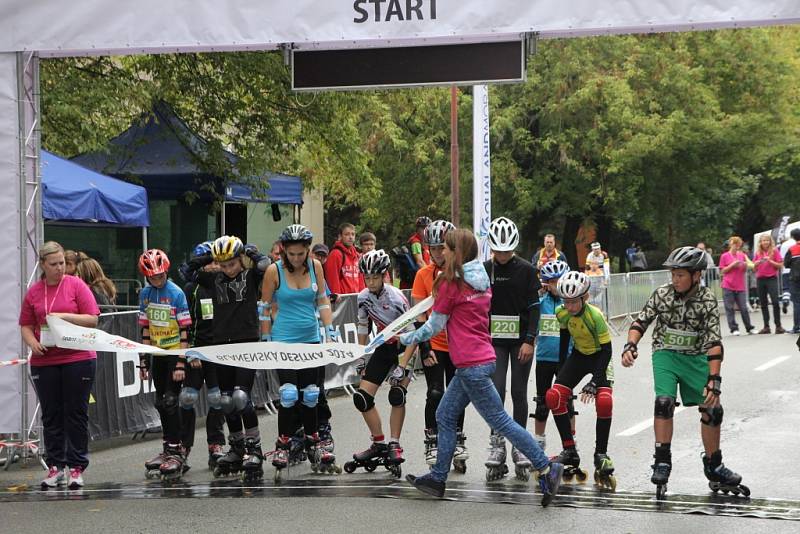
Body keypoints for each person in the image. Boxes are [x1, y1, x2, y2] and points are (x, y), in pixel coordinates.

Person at [400, 229, 564, 506]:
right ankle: (438, 478)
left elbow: (435, 325)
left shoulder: (452, 284)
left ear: (458, 253)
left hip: (471, 365)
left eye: (448, 249)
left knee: (500, 421)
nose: (443, 253)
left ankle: (546, 468)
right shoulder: (481, 280)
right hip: (480, 360)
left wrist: (404, 337)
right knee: (445, 415)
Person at [622, 246, 749, 498]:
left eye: (681, 275)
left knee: (713, 409)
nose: (675, 279)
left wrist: (714, 379)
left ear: (697, 275)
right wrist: (630, 344)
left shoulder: (707, 299)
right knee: (664, 402)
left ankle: (714, 465)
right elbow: (641, 321)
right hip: (665, 354)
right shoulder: (662, 294)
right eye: (673, 274)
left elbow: (714, 342)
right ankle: (662, 461)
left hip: (695, 357)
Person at [186, 235, 270, 480]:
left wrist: (251, 253)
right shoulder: (214, 279)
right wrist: (212, 257)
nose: (228, 269)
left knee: (240, 397)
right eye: (224, 265)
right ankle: (236, 447)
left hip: (246, 343)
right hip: (221, 344)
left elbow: (265, 266)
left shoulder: (251, 275)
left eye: (232, 263)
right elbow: (187, 270)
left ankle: (255, 449)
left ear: (240, 260)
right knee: (225, 400)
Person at [261, 224, 339, 481]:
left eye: (300, 253)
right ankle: (283, 442)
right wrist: (265, 335)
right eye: (291, 254)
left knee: (311, 394)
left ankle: (313, 440)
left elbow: (323, 300)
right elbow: (264, 306)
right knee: (288, 393)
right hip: (284, 339)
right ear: (284, 251)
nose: (296, 258)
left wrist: (330, 328)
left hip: (310, 339)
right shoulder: (274, 271)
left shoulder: (316, 267)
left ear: (307, 250)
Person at [20, 241, 100, 489]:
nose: (59, 268)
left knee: (75, 413)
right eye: (53, 264)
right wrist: (32, 342)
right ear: (42, 265)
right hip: (46, 359)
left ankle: (77, 467)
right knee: (51, 414)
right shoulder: (34, 291)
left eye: (62, 263)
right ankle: (55, 466)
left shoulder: (76, 285)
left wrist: (66, 317)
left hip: (78, 358)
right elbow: (25, 323)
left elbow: (93, 318)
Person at [345, 249, 415, 478]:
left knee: (397, 394)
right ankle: (379, 443)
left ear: (384, 275)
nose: (371, 282)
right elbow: (363, 327)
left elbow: (414, 334)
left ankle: (395, 443)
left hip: (405, 346)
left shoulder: (396, 298)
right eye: (367, 278)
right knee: (361, 398)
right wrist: (362, 356)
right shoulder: (363, 297)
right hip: (384, 347)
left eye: (375, 277)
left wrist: (403, 365)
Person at [545, 271, 617, 490]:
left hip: (600, 358)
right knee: (554, 396)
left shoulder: (595, 316)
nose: (570, 306)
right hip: (578, 356)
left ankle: (601, 453)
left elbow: (607, 351)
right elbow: (565, 340)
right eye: (566, 301)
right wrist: (561, 371)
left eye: (574, 302)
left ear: (584, 298)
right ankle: (569, 450)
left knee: (604, 401)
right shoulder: (562, 313)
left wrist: (595, 382)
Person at [483, 217, 540, 482]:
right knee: (496, 392)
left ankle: (519, 443)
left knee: (518, 390)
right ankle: (497, 443)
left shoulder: (527, 270)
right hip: (495, 340)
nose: (502, 255)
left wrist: (530, 339)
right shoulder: (485, 269)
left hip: (520, 340)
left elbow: (534, 307)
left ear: (514, 247)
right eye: (498, 251)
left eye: (506, 251)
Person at [411, 220, 468, 472]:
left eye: (441, 248)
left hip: (458, 344)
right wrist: (424, 348)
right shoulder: (423, 275)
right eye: (432, 249)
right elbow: (419, 314)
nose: (436, 253)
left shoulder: (464, 273)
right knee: (435, 392)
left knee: (458, 394)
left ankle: (457, 437)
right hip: (434, 343)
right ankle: (432, 439)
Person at [137, 248, 192, 480]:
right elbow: (146, 328)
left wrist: (181, 363)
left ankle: (178, 449)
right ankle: (168, 447)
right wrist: (143, 360)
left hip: (174, 353)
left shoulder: (177, 293)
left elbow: (184, 331)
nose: (157, 280)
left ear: (166, 272)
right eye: (153, 277)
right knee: (160, 402)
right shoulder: (146, 294)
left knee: (171, 401)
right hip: (157, 353)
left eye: (160, 276)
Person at [178, 241, 227, 469]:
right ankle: (183, 446)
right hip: (197, 350)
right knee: (187, 398)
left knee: (217, 399)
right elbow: (185, 325)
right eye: (211, 262)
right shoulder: (191, 287)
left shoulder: (225, 283)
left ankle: (215, 445)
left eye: (218, 262)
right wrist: (191, 353)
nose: (216, 266)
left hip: (218, 351)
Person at [531, 259, 572, 451]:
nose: (556, 285)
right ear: (546, 283)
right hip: (544, 359)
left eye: (559, 280)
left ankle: (570, 445)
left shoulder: (570, 304)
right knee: (542, 403)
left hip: (566, 361)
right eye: (552, 282)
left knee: (567, 403)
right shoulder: (540, 303)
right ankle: (539, 443)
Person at [718, 236, 755, 335]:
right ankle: (734, 328)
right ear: (730, 244)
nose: (736, 246)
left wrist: (744, 265)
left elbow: (745, 268)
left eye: (738, 245)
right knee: (729, 308)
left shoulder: (742, 255)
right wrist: (732, 265)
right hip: (728, 285)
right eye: (734, 244)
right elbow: (722, 271)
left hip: (740, 285)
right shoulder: (724, 256)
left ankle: (749, 327)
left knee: (743, 307)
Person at [753, 234, 785, 334]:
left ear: (770, 241)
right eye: (763, 241)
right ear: (760, 242)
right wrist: (758, 262)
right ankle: (766, 326)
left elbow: (780, 265)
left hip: (771, 278)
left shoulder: (774, 251)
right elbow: (753, 267)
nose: (765, 242)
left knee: (775, 302)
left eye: (767, 240)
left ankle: (778, 326)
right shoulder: (758, 252)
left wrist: (770, 261)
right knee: (763, 303)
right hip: (760, 279)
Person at [75, 257, 117, 332]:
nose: (77, 277)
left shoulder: (95, 289)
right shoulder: (105, 285)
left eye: (79, 274)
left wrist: (98, 332)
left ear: (86, 274)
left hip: (100, 331)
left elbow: (107, 313)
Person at [323, 222, 365, 295]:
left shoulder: (357, 256)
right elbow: (332, 279)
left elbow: (360, 279)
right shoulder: (335, 254)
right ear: (340, 237)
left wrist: (363, 296)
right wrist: (336, 297)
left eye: (353, 234)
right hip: (342, 299)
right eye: (347, 234)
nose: (350, 237)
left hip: (357, 298)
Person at [784, 228, 800, 334]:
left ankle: (797, 327)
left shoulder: (792, 249)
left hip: (795, 278)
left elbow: (786, 264)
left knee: (797, 303)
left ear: (793, 237)